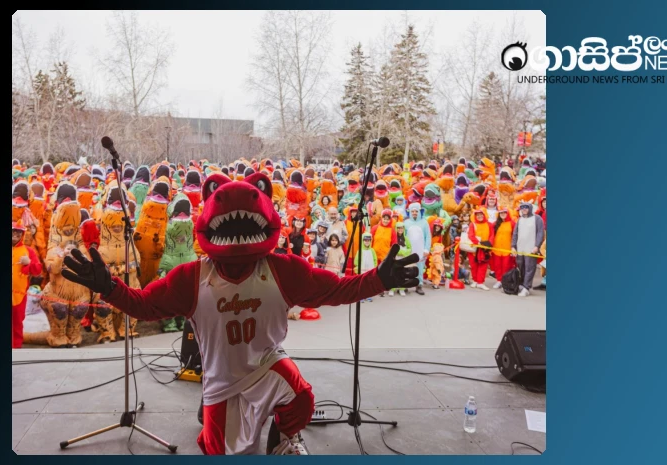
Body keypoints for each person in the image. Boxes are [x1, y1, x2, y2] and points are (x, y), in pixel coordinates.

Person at [60, 174, 418, 455]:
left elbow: (337, 290)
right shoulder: (192, 277)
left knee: (302, 398)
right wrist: (109, 288)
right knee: (226, 451)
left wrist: (379, 280)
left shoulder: (283, 269)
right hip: (222, 378)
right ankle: (211, 419)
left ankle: (282, 438)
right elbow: (143, 306)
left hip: (266, 364)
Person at [12, 221, 42, 348]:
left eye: (18, 232)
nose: (15, 235)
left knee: (17, 320)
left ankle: (16, 347)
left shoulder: (28, 250)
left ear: (22, 235)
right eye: (13, 232)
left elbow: (37, 270)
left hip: (19, 294)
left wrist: (28, 262)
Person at [511, 202, 546, 297]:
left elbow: (540, 233)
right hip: (520, 248)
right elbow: (515, 234)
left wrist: (537, 246)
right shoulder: (520, 219)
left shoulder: (537, 218)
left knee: (529, 268)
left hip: (531, 249)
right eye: (522, 208)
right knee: (521, 267)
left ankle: (527, 287)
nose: (524, 209)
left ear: (530, 208)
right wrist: (513, 246)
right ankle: (522, 284)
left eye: (526, 207)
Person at [403, 203, 429, 295]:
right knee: (407, 267)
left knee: (420, 267)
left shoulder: (424, 223)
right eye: (412, 211)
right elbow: (403, 236)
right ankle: (406, 284)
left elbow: (428, 237)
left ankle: (419, 285)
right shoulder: (406, 223)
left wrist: (426, 249)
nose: (414, 213)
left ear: (419, 211)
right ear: (409, 212)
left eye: (416, 211)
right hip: (409, 250)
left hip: (420, 249)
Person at [467, 209, 494, 291]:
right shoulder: (472, 224)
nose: (479, 216)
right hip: (475, 248)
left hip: (485, 248)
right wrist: (477, 243)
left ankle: (480, 282)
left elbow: (492, 236)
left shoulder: (489, 224)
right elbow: (470, 235)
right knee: (473, 265)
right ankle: (475, 280)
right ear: (475, 216)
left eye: (481, 214)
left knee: (483, 265)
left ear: (484, 215)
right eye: (477, 215)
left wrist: (488, 245)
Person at [490, 209, 516, 290]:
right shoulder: (495, 224)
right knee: (497, 266)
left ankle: (505, 281)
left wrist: (514, 248)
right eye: (501, 213)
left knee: (506, 266)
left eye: (504, 212)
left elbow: (515, 236)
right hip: (496, 249)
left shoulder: (512, 223)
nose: (503, 214)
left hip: (507, 249)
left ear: (507, 213)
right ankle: (498, 280)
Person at [388, 222, 412, 296]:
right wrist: (399, 252)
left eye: (401, 228)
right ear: (396, 229)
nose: (400, 229)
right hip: (395, 258)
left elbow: (410, 248)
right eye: (398, 228)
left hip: (403, 258)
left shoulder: (406, 239)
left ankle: (402, 288)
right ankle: (392, 288)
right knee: (393, 273)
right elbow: (392, 247)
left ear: (403, 229)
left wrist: (405, 252)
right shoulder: (394, 238)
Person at [354, 233, 379, 303]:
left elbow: (375, 260)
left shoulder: (372, 251)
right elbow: (356, 261)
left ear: (371, 241)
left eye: (368, 240)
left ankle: (368, 295)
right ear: (362, 241)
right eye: (365, 240)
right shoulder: (360, 251)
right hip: (362, 270)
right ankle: (361, 295)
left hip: (370, 270)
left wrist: (375, 268)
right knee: (362, 283)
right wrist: (358, 267)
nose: (367, 242)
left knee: (369, 283)